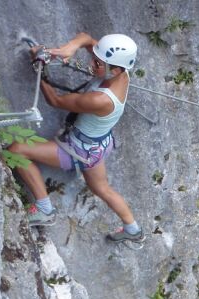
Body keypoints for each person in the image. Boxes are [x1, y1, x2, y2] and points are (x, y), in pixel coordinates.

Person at [8, 32, 143, 243]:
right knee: (102, 189)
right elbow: (88, 39)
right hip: (98, 147)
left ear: (114, 69)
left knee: (16, 149)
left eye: (98, 63)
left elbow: (54, 100)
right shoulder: (121, 71)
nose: (92, 64)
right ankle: (133, 230)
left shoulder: (101, 100)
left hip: (76, 150)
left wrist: (38, 66)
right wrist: (69, 48)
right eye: (95, 59)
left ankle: (45, 209)